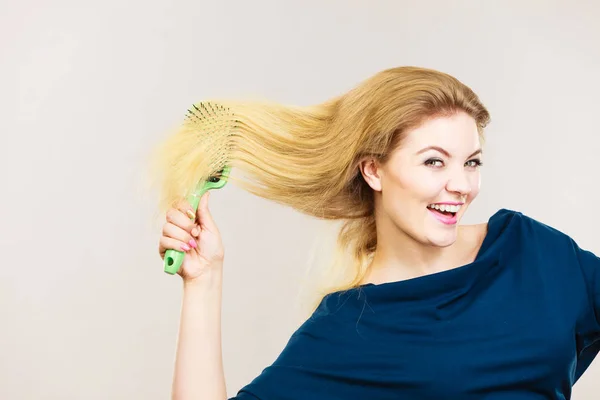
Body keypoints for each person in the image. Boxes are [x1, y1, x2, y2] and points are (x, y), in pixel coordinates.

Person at [155, 66, 600, 399]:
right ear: (373, 170)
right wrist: (204, 280)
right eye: (434, 161)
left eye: (472, 162)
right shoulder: (350, 329)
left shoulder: (534, 251)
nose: (461, 185)